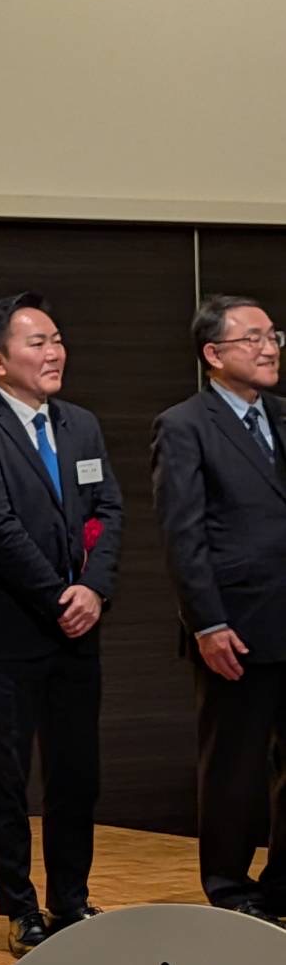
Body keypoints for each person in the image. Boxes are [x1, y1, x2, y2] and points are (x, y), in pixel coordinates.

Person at [0, 292, 122, 957]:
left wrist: (93, 589)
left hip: (78, 629)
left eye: (56, 340)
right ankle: (19, 907)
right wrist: (58, 596)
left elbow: (108, 512)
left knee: (76, 773)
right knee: (6, 776)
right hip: (6, 631)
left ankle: (70, 898)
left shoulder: (81, 425)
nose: (54, 353)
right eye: (37, 343)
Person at [153, 295, 286, 926]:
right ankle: (230, 886)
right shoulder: (185, 425)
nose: (269, 348)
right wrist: (206, 622)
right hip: (236, 623)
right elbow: (183, 534)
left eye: (273, 336)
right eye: (252, 338)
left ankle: (283, 884)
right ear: (213, 353)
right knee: (234, 763)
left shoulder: (282, 416)